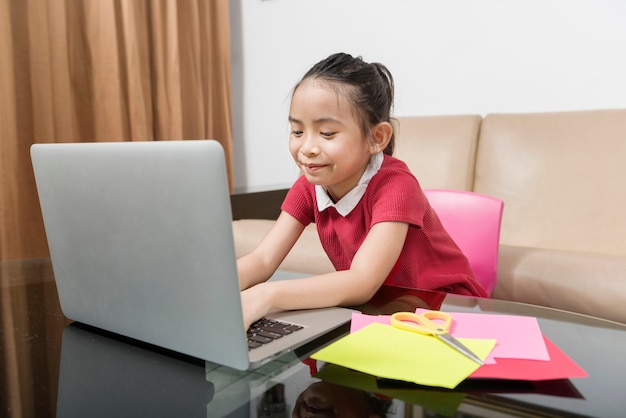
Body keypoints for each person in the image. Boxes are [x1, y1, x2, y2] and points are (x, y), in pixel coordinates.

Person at [237, 52, 488, 329]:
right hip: (386, 313)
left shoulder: (396, 185)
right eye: (297, 131)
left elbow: (362, 281)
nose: (307, 147)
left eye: (327, 133)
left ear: (376, 138)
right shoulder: (310, 185)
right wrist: (214, 291)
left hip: (449, 312)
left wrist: (266, 295)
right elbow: (263, 259)